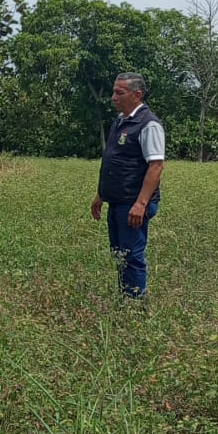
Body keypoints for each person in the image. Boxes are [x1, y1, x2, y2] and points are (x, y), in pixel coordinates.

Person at [91, 73, 165, 299]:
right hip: (117, 201)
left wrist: (141, 204)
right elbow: (115, 161)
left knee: (131, 256)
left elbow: (156, 166)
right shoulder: (121, 121)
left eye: (119, 93)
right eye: (113, 92)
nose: (113, 97)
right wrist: (101, 195)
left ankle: (135, 305)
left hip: (133, 203)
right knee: (120, 254)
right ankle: (126, 299)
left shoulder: (148, 124)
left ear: (137, 95)